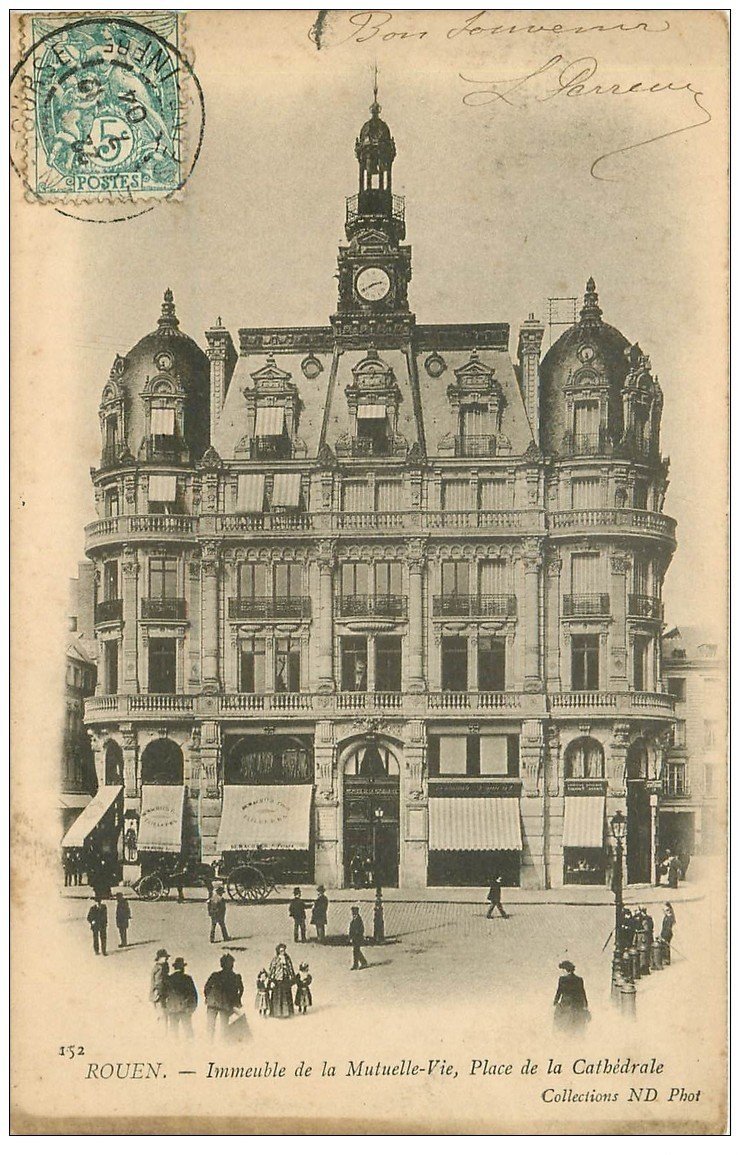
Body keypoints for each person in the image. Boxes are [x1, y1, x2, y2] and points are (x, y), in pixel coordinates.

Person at [204, 954, 244, 1039]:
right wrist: (237, 1000)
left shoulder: (215, 975)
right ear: (232, 965)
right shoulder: (235, 977)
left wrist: (208, 997)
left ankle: (208, 1044)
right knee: (224, 1027)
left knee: (210, 1026)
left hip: (212, 1003)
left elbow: (207, 987)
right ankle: (223, 1046)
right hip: (226, 1004)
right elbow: (241, 990)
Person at [553, 960, 590, 1034]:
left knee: (558, 1020)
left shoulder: (562, 979)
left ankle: (558, 1033)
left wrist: (555, 1002)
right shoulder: (579, 979)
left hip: (565, 1005)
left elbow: (559, 992)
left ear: (565, 970)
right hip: (577, 1005)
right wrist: (585, 1004)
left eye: (562, 970)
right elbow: (582, 993)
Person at [165, 957, 198, 1037]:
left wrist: (167, 1007)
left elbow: (165, 994)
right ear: (183, 968)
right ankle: (189, 1048)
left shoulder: (169, 979)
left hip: (172, 1009)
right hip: (184, 1009)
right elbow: (193, 995)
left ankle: (175, 1048)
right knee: (188, 1031)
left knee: (173, 1032)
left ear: (175, 967)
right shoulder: (187, 978)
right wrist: (192, 1008)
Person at [268, 943, 296, 1017]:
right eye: (281, 951)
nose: (283, 952)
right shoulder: (275, 959)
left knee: (286, 996)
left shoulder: (287, 959)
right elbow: (272, 970)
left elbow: (290, 968)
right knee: (277, 997)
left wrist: (292, 977)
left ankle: (287, 1012)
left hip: (286, 980)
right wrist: (272, 980)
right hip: (278, 981)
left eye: (283, 950)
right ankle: (277, 1013)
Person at [150, 949, 170, 1024]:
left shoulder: (160, 966)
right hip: (159, 993)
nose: (166, 959)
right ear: (160, 958)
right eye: (165, 957)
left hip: (158, 993)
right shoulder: (160, 968)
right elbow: (159, 982)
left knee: (162, 1014)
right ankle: (163, 1033)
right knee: (163, 1015)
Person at [349, 906, 368, 970]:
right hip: (354, 938)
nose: (353, 914)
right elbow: (351, 930)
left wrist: (358, 934)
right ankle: (361, 963)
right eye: (353, 913)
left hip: (358, 938)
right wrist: (350, 937)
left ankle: (359, 964)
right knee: (356, 951)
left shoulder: (359, 920)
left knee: (356, 951)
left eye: (354, 913)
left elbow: (361, 929)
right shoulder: (354, 920)